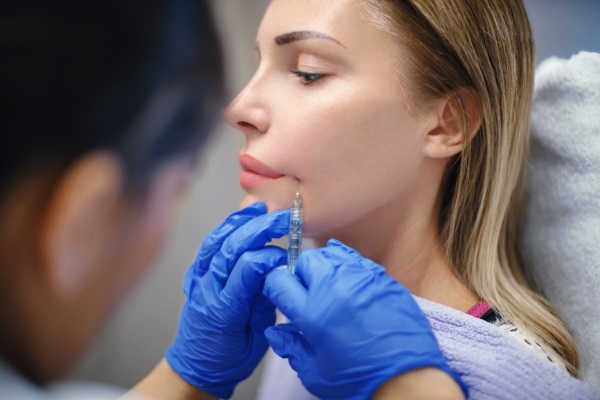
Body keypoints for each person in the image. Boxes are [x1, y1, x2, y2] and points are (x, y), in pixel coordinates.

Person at [221, 0, 599, 399]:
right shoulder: (315, 312)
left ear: (447, 124)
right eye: (260, 63)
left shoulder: (514, 382)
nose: (239, 108)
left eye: (307, 72)